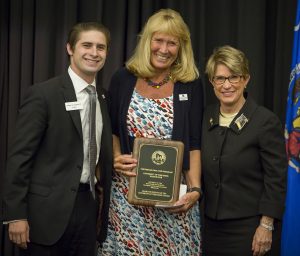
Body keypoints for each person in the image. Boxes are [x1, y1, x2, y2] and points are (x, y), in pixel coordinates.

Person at [98, 8, 203, 255]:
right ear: (147, 41)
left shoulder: (191, 84)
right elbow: (112, 129)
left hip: (173, 198)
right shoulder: (123, 78)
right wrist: (114, 157)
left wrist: (195, 190)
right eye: (158, 40)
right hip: (127, 197)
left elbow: (195, 142)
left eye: (172, 43)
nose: (164, 49)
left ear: (181, 48)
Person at [2, 22, 113, 256]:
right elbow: (19, 158)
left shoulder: (103, 98)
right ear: (70, 48)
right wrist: (16, 215)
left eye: (101, 47)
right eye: (87, 45)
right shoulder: (43, 95)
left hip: (87, 208)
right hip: (45, 214)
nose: (94, 53)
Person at [201, 45, 287, 256]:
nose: (226, 85)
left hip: (250, 230)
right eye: (219, 78)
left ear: (246, 79)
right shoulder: (204, 116)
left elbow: (276, 179)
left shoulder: (265, 121)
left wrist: (266, 225)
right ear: (212, 82)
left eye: (234, 77)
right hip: (209, 228)